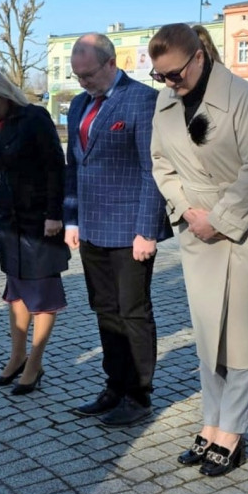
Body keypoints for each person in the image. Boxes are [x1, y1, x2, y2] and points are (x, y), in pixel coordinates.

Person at [147, 23, 248, 476]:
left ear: (199, 57)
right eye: (160, 77)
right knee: (208, 338)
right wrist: (188, 212)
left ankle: (231, 433)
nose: (169, 84)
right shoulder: (165, 100)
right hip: (197, 229)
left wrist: (218, 220)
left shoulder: (242, 97)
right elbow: (161, 164)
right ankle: (210, 422)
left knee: (240, 338)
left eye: (174, 74)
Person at [63, 34, 172, 427]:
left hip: (130, 232)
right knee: (105, 311)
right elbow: (74, 167)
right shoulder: (78, 105)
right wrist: (71, 219)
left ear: (111, 63)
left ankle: (138, 396)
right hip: (91, 228)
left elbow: (152, 171)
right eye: (77, 76)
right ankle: (114, 385)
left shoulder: (142, 101)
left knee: (133, 313)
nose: (82, 83)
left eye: (88, 75)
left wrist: (148, 231)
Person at [0, 66, 70, 396]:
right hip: (8, 217)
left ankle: (35, 363)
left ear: (3, 95)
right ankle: (16, 358)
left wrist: (55, 215)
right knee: (16, 291)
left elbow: (56, 167)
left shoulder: (34, 118)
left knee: (42, 294)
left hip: (39, 219)